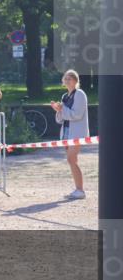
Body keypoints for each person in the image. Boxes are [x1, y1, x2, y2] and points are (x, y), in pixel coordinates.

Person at [52, 69, 89, 200]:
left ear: (75, 81)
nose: (67, 80)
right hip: (66, 132)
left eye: (70, 78)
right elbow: (61, 119)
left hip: (77, 132)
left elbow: (77, 115)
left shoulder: (80, 94)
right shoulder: (64, 96)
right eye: (65, 78)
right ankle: (78, 189)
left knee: (71, 159)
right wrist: (58, 110)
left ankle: (80, 190)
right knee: (72, 160)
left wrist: (62, 109)